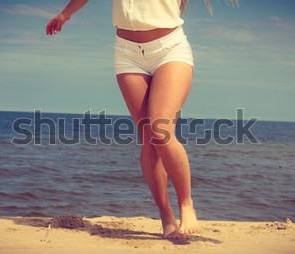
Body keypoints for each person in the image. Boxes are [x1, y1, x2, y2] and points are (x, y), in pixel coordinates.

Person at [47, 0, 237, 238]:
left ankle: (186, 203)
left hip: (170, 48)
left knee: (161, 131)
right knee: (149, 139)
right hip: (128, 53)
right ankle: (167, 218)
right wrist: (65, 15)